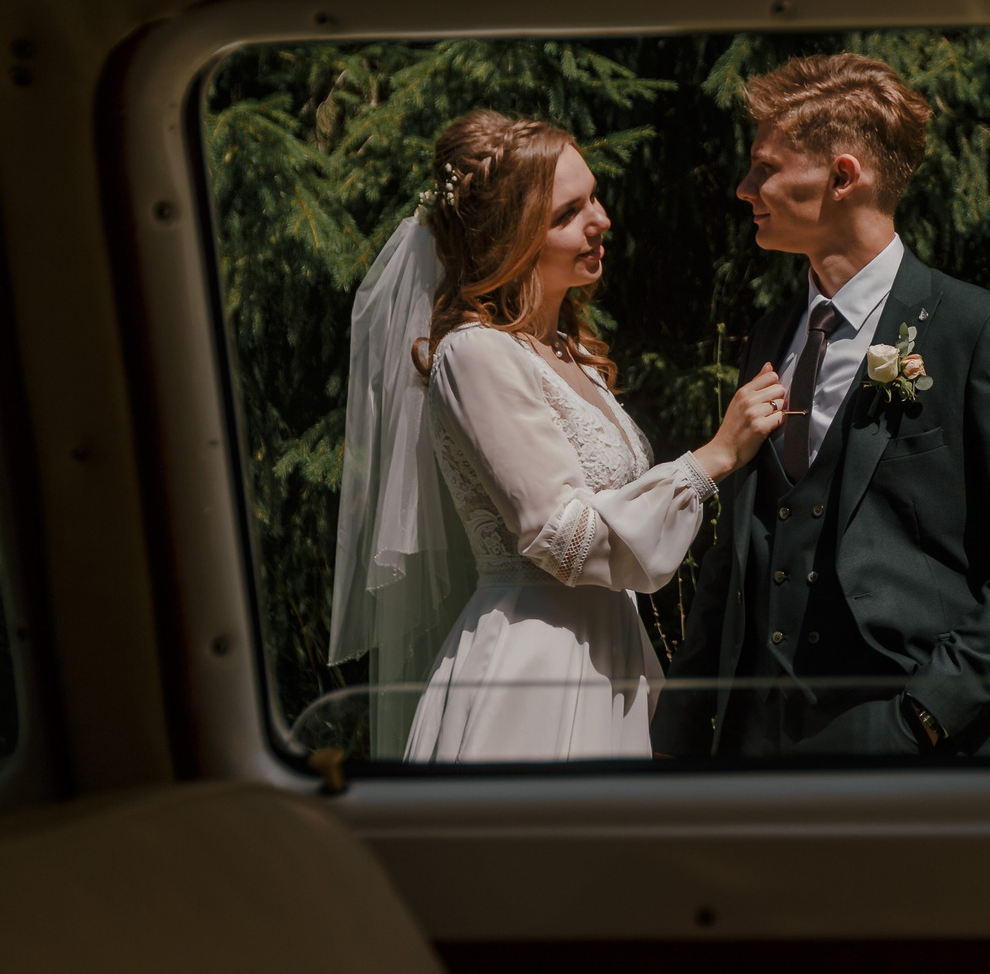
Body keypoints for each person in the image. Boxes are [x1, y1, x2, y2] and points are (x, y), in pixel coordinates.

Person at [654, 54, 990, 758]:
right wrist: (682, 720)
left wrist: (926, 713)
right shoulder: (769, 336)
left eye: (765, 167)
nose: (744, 188)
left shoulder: (979, 330)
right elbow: (742, 547)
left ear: (844, 176)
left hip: (931, 748)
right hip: (763, 748)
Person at [328, 110, 784, 760]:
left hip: (611, 657)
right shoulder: (474, 353)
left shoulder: (572, 352)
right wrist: (711, 458)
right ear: (512, 236)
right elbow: (560, 535)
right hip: (535, 670)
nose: (601, 219)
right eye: (568, 212)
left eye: (593, 196)